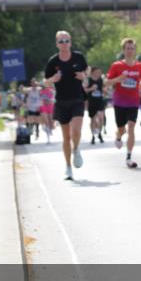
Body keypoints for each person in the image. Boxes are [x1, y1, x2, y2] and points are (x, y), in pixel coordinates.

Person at [43, 31, 89, 180]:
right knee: (66, 136)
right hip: (61, 101)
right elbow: (45, 82)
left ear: (70, 42)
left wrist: (84, 76)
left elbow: (86, 71)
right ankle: (68, 167)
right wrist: (53, 79)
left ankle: (76, 149)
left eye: (66, 40)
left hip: (77, 99)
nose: (64, 43)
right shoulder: (53, 61)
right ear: (57, 44)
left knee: (76, 131)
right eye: (61, 41)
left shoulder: (78, 57)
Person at [107, 38, 141, 168]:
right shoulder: (116, 65)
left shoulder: (140, 66)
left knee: (131, 127)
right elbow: (107, 82)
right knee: (122, 129)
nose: (130, 51)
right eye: (127, 48)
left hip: (134, 101)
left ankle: (129, 156)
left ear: (135, 50)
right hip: (119, 101)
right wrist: (119, 79)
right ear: (123, 50)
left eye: (132, 48)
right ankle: (118, 136)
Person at [84, 67, 107, 144]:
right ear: (93, 72)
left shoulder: (101, 80)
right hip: (92, 102)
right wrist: (91, 89)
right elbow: (84, 90)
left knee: (101, 118)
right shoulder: (88, 80)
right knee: (93, 119)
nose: (99, 73)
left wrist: (104, 91)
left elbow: (104, 88)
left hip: (100, 101)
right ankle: (93, 136)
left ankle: (100, 134)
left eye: (99, 72)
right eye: (97, 72)